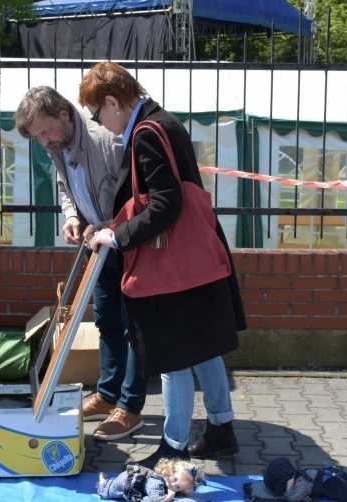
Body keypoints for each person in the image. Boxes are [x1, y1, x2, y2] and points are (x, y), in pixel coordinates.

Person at [79, 61, 247, 467]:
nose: (100, 124)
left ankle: (173, 448)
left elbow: (165, 204)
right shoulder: (163, 121)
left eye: (96, 114)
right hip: (193, 258)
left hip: (170, 264)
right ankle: (221, 429)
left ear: (113, 102)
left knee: (173, 359)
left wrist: (117, 236)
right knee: (203, 346)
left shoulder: (146, 133)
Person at [15, 86, 150, 441]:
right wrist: (72, 215)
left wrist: (114, 230)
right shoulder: (57, 143)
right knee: (106, 320)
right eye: (37, 137)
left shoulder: (106, 139)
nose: (44, 141)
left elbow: (137, 197)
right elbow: (65, 186)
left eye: (46, 132)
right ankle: (108, 395)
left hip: (127, 244)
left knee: (135, 327)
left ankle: (130, 407)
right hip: (97, 245)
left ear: (64, 115)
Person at [260, 457, 347, 502]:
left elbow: (294, 498)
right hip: (326, 472)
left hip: (328, 482)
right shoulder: (300, 474)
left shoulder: (301, 485)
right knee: (342, 477)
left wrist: (289, 491)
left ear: (289, 481)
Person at [97, 458, 205, 502]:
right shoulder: (156, 483)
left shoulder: (165, 482)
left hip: (136, 481)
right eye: (175, 479)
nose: (173, 484)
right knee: (108, 491)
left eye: (178, 487)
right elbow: (157, 500)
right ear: (171, 470)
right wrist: (169, 497)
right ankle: (103, 481)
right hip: (126, 483)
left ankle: (106, 480)